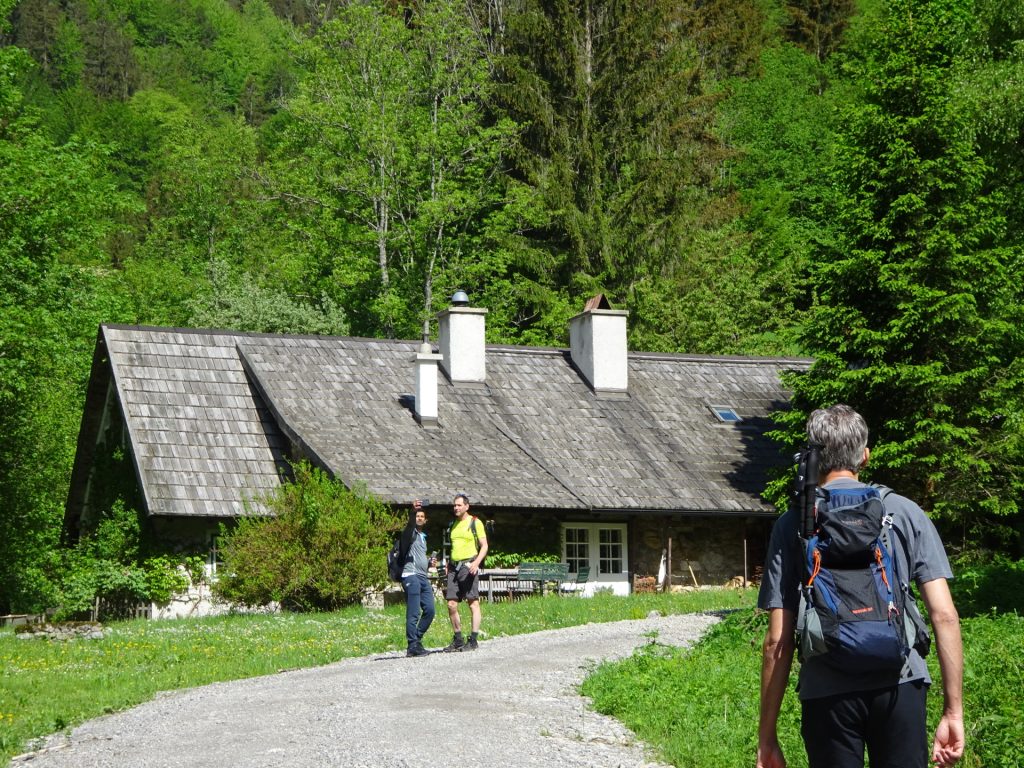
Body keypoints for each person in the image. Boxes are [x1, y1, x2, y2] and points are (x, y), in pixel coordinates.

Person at [757, 404, 964, 768]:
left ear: (813, 458)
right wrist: (953, 711)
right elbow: (944, 615)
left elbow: (778, 641)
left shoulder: (793, 524)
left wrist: (767, 736)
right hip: (901, 681)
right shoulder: (904, 512)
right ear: (864, 456)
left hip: (827, 689)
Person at [443, 493, 488, 652]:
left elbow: (484, 545)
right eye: (454, 505)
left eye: (459, 505)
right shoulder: (452, 525)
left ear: (466, 506)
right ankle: (458, 639)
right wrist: (448, 562)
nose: (456, 508)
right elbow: (453, 546)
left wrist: (476, 562)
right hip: (454, 568)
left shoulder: (475, 522)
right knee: (451, 604)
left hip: (468, 566)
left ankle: (473, 639)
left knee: (472, 603)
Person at [400, 499, 436, 657]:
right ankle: (412, 645)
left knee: (430, 610)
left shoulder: (422, 537)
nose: (419, 518)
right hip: (411, 575)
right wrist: (413, 511)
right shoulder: (410, 534)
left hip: (423, 577)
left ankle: (417, 640)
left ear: (426, 520)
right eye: (417, 516)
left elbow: (419, 559)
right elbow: (409, 527)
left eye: (422, 516)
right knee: (414, 612)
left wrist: (429, 563)